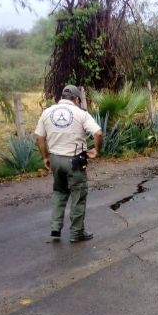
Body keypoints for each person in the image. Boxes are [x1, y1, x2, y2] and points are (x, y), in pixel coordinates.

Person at [34, 85, 103, 243]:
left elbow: (39, 137)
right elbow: (98, 133)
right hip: (74, 161)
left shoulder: (47, 112)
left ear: (62, 97)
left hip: (56, 160)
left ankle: (55, 228)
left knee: (59, 192)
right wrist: (97, 150)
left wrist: (45, 157)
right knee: (78, 195)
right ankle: (76, 233)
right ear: (77, 99)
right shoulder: (81, 114)